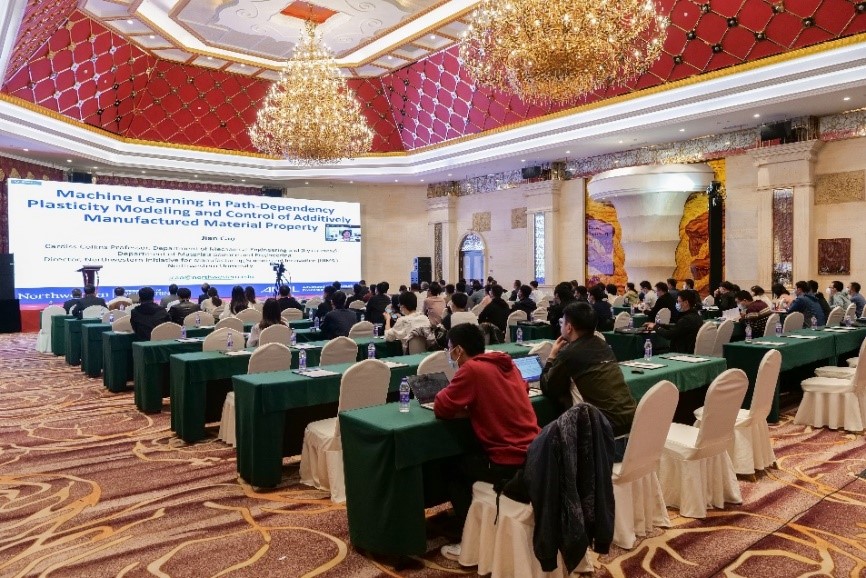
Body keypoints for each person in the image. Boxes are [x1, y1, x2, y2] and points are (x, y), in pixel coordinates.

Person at [435, 323, 541, 561]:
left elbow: (442, 406)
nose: (449, 354)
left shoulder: (471, 370)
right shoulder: (507, 363)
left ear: (459, 350)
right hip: (535, 452)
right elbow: (523, 389)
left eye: (450, 348)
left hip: (508, 460)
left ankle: (468, 540)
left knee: (452, 467)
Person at [539, 301, 636, 460]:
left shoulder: (569, 353)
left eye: (563, 322)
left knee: (543, 447)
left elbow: (548, 387)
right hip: (633, 434)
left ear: (569, 327)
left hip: (604, 441)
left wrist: (551, 357)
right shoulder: (603, 346)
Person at [646, 289, 703, 353]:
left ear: (686, 303)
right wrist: (658, 325)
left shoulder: (686, 320)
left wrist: (655, 327)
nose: (677, 304)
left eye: (678, 301)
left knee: (653, 351)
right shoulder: (696, 316)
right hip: (688, 350)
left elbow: (669, 335)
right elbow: (677, 327)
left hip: (680, 352)